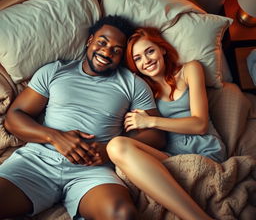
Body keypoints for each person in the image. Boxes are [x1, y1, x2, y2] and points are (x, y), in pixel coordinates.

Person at [0, 16, 166, 220]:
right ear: (90, 41)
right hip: (38, 161)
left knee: (123, 215)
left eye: (116, 49)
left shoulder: (133, 84)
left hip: (93, 171)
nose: (106, 52)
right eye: (102, 42)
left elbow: (157, 136)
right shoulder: (54, 71)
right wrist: (55, 137)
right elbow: (14, 117)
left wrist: (109, 150)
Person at [107, 27, 227, 220]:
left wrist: (150, 121)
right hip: (169, 158)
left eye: (150, 51)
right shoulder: (142, 92)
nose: (146, 61)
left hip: (204, 151)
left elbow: (200, 124)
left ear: (162, 49)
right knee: (117, 146)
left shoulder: (190, 70)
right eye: (137, 58)